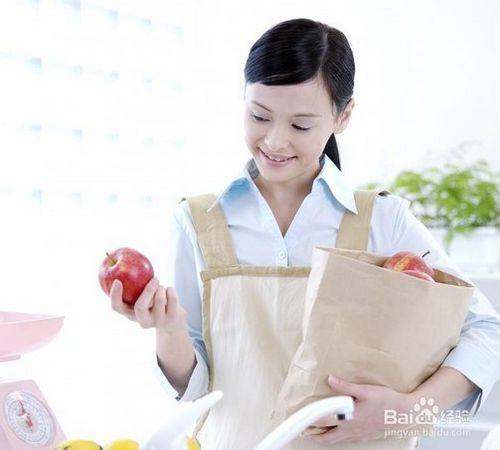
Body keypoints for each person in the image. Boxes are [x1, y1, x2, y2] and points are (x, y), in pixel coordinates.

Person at [108, 18, 500, 449]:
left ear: (343, 115)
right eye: (259, 116)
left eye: (300, 125)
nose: (275, 142)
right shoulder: (198, 221)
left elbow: (487, 331)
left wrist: (405, 411)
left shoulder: (382, 218)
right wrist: (168, 330)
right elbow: (195, 390)